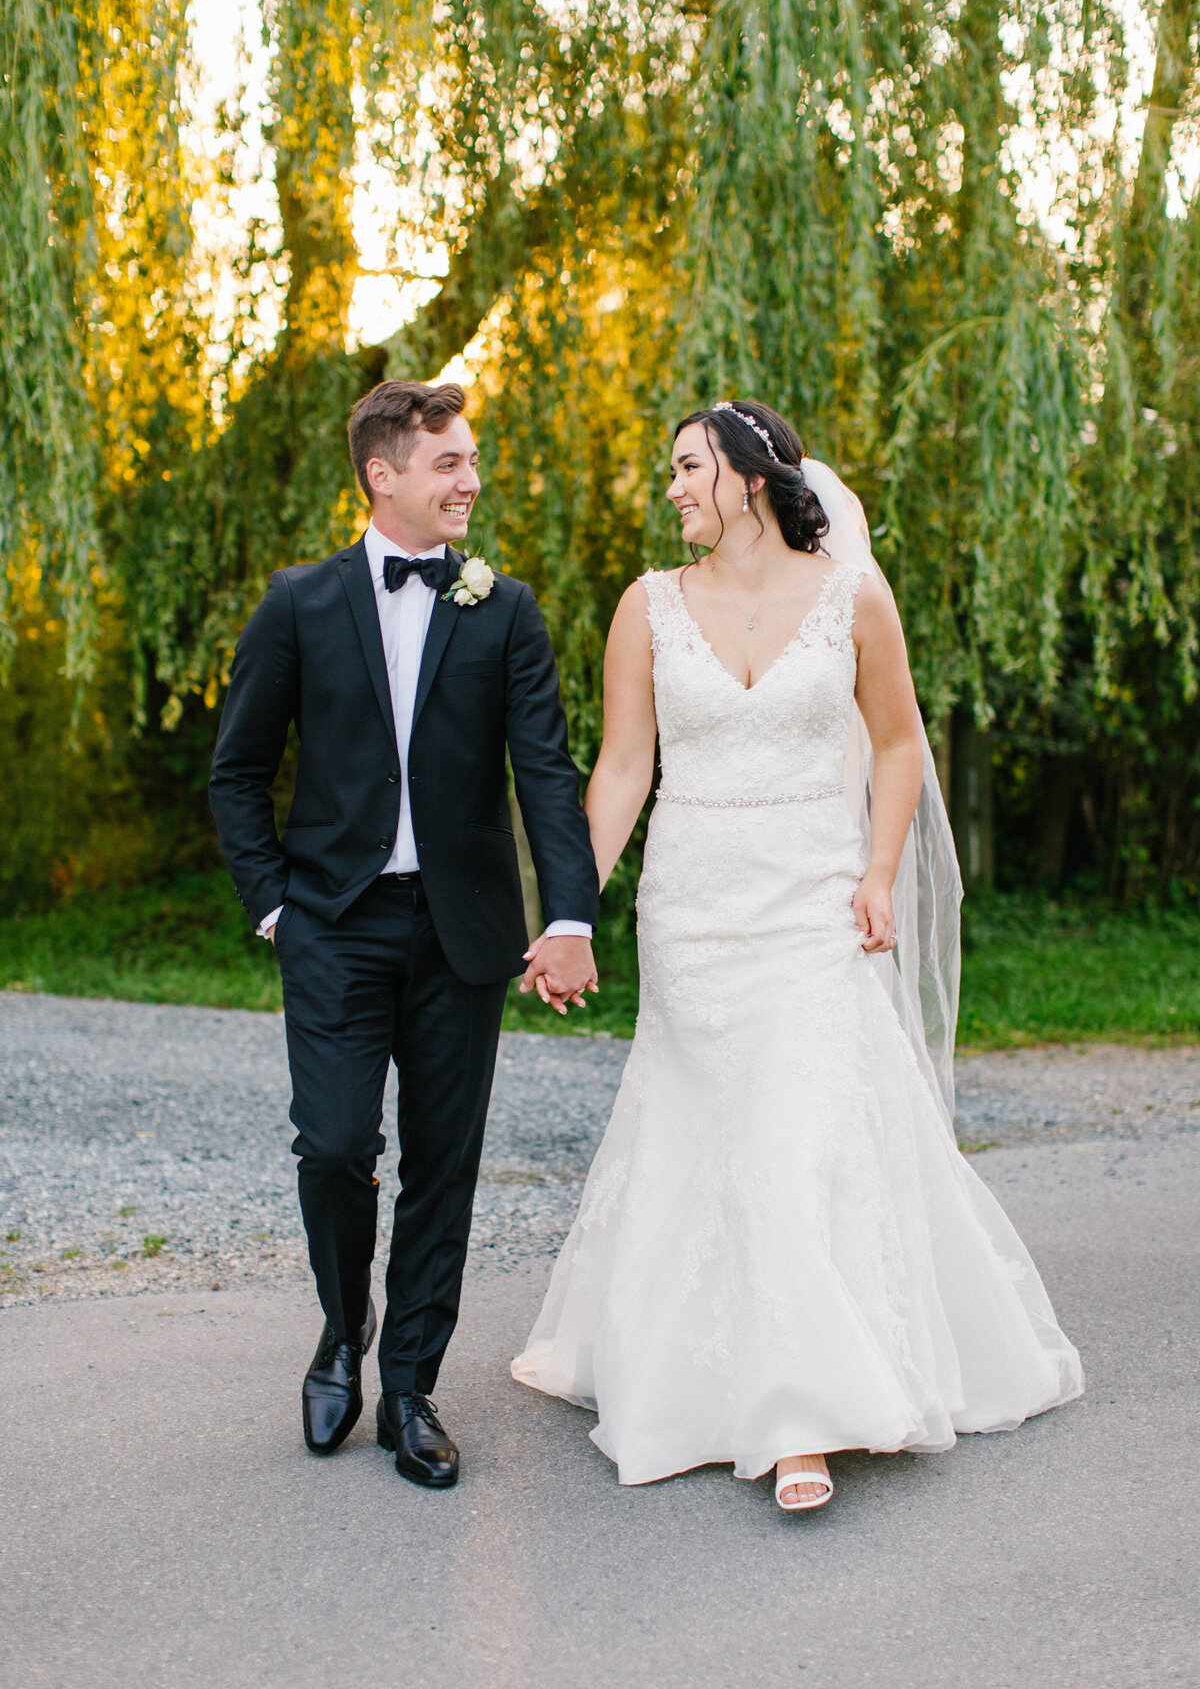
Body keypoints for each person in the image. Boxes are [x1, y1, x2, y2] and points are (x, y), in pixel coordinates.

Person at [512, 399, 1083, 1511]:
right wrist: (571, 914)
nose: (672, 488)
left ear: (751, 476)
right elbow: (626, 768)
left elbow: (898, 742)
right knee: (707, 1132)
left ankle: (803, 1418)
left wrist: (877, 874)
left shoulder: (853, 597)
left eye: (687, 467)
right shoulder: (648, 608)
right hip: (693, 907)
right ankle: (695, 1369)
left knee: (794, 1137)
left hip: (815, 899)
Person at [210, 378, 599, 1489]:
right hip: (332, 926)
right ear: (384, 475)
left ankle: (414, 1387)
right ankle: (344, 1333)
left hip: (463, 933)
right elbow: (238, 771)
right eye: (449, 464)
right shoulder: (298, 603)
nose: (470, 480)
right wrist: (275, 903)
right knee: (334, 1147)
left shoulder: (503, 607)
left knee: (445, 1163)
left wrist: (566, 914)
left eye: (472, 461)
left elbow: (545, 773)